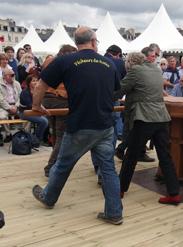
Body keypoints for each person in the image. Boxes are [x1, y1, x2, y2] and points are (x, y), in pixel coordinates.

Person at [31, 26, 123, 225]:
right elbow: (117, 90)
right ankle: (114, 212)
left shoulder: (65, 60)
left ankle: (49, 197)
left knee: (63, 165)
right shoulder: (109, 63)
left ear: (76, 43)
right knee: (108, 170)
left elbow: (40, 85)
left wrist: (37, 106)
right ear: (93, 41)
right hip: (105, 126)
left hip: (80, 125)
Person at [118, 52, 181, 205]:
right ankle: (174, 193)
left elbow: (119, 90)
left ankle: (119, 189)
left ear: (130, 63)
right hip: (161, 117)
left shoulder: (135, 71)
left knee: (131, 156)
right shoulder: (156, 69)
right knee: (165, 156)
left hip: (144, 117)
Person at [42, 45, 76, 177]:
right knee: (61, 135)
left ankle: (54, 163)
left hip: (47, 99)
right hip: (61, 100)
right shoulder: (67, 63)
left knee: (55, 133)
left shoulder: (49, 61)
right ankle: (50, 167)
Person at [19, 75, 49, 143]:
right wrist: (42, 109)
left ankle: (44, 139)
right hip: (24, 113)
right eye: (33, 81)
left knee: (48, 118)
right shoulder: (25, 92)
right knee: (44, 121)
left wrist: (43, 109)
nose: (36, 82)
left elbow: (41, 103)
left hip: (35, 112)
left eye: (36, 80)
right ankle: (36, 139)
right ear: (29, 83)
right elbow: (31, 105)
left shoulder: (38, 91)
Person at [0, 68, 22, 143]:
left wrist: (16, 105)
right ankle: (8, 134)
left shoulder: (17, 83)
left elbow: (20, 97)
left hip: (16, 106)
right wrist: (9, 108)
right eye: (11, 75)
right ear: (4, 76)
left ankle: (25, 133)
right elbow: (1, 100)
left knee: (27, 114)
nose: (13, 76)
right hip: (4, 107)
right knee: (2, 117)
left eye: (14, 74)